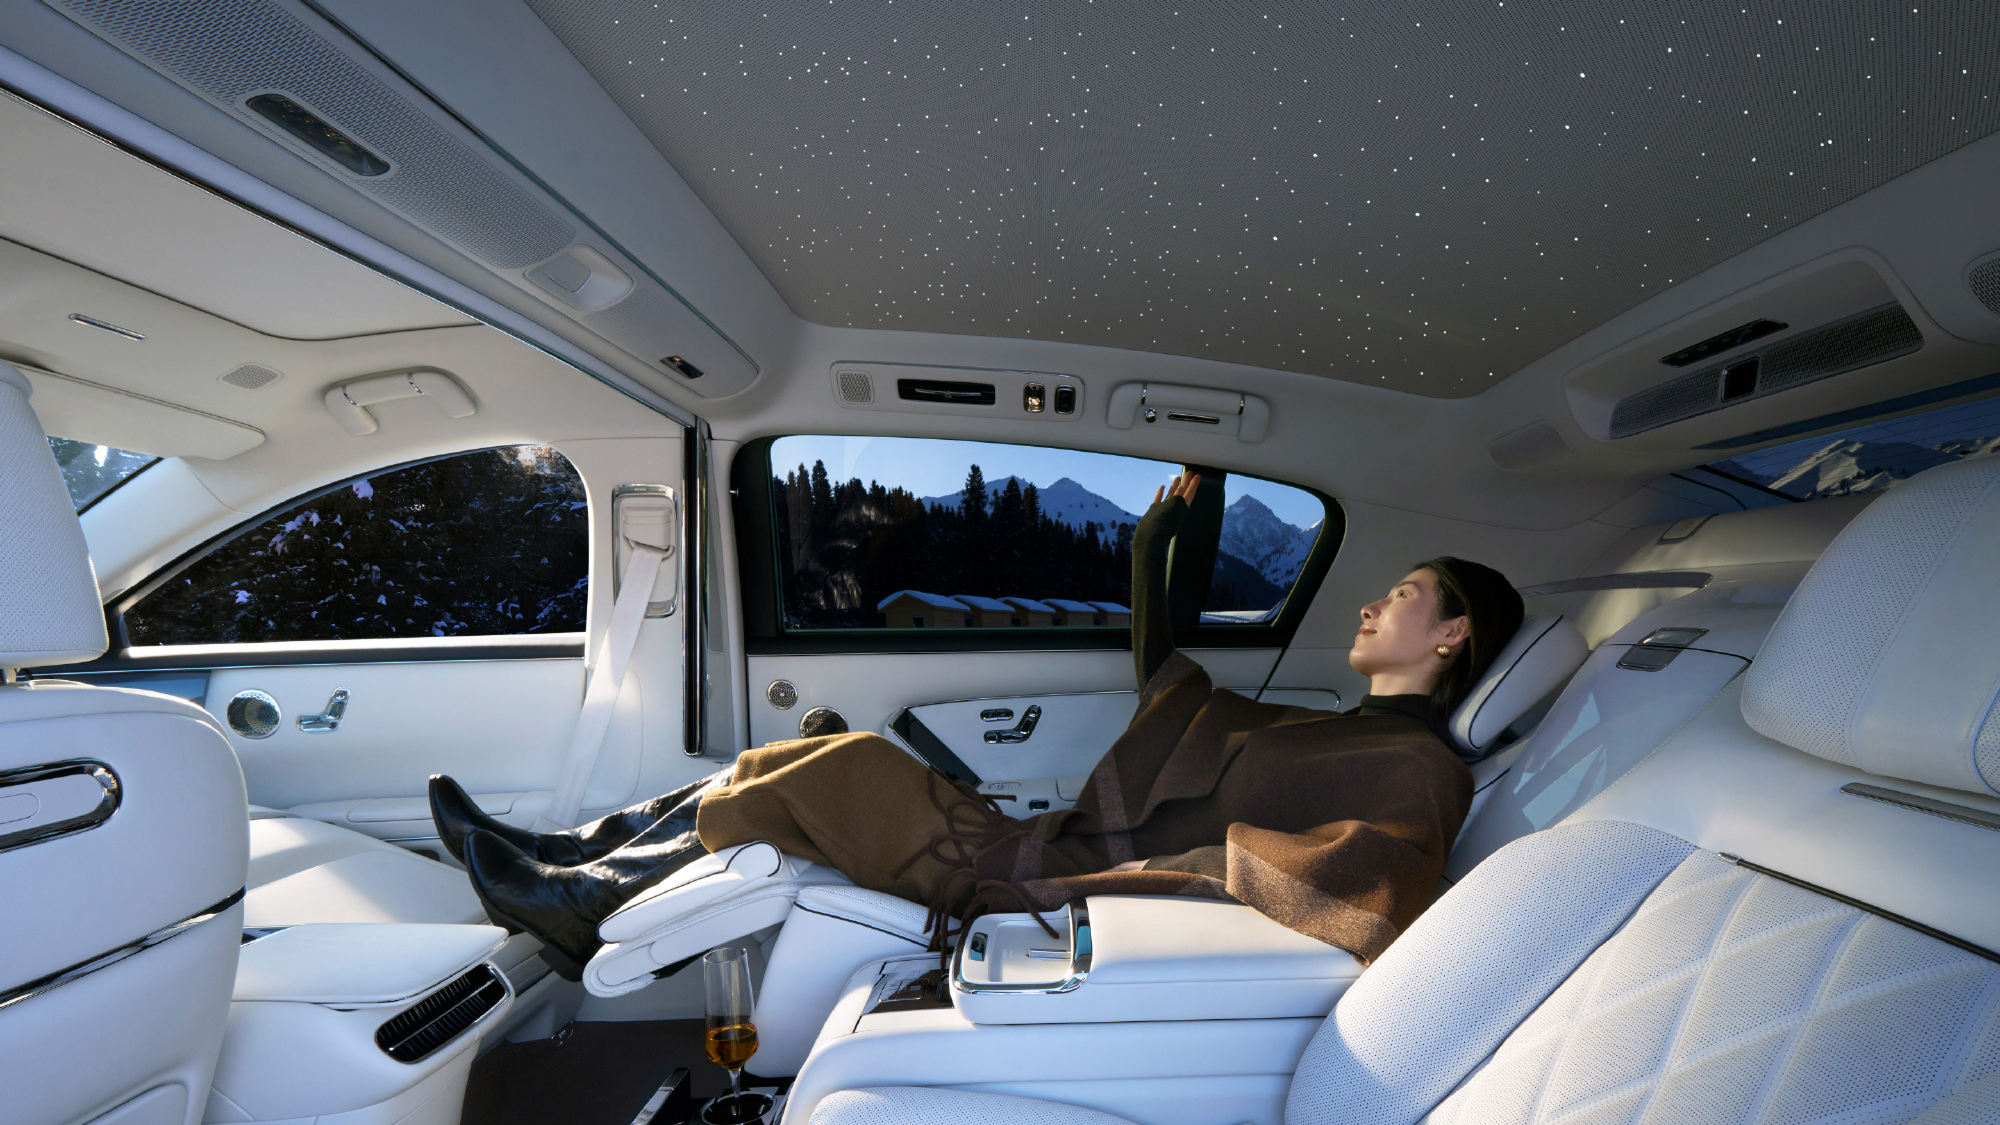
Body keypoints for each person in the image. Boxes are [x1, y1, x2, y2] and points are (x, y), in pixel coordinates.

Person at [432, 474, 1524, 978]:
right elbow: (1170, 684)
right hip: (1054, 845)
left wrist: (1165, 873)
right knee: (802, 749)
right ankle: (583, 855)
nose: (1372, 604)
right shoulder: (1322, 723)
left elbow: (1372, 891)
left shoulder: (1414, 765)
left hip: (1067, 880)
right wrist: (1153, 544)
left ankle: (582, 906)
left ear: (1453, 632)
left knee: (846, 761)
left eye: (1403, 594)